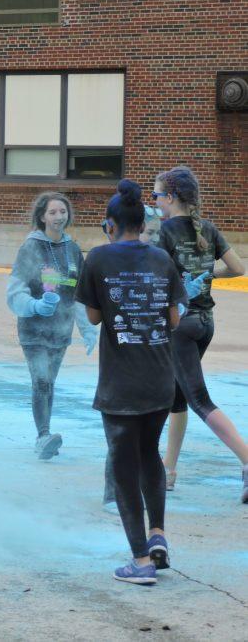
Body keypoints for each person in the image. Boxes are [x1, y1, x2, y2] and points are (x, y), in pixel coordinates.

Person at [75, 180, 186, 586]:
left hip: (120, 384)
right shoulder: (161, 259)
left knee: (123, 467)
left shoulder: (99, 258)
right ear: (144, 222)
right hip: (160, 378)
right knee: (150, 456)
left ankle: (140, 560)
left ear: (110, 224)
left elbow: (92, 318)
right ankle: (158, 534)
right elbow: (174, 320)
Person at [153, 166, 248, 503]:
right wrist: (207, 275)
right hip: (205, 322)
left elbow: (158, 279)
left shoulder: (164, 233)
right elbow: (239, 268)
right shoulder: (207, 228)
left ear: (172, 197)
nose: (155, 203)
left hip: (180, 325)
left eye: (157, 196)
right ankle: (169, 470)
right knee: (177, 397)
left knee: (198, 400)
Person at [7, 192, 97, 460]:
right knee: (41, 380)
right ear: (42, 217)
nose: (59, 217)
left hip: (61, 329)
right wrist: (34, 305)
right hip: (33, 329)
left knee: (50, 382)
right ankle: (43, 436)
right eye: (53, 212)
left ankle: (44, 434)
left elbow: (79, 295)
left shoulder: (72, 249)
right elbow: (15, 291)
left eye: (62, 211)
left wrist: (88, 329)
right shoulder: (30, 247)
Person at [103, 200, 166, 512]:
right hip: (124, 367)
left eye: (157, 233)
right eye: (149, 232)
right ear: (138, 228)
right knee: (122, 438)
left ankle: (131, 495)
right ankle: (113, 492)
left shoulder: (157, 261)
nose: (152, 238)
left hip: (150, 363)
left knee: (139, 441)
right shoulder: (112, 262)